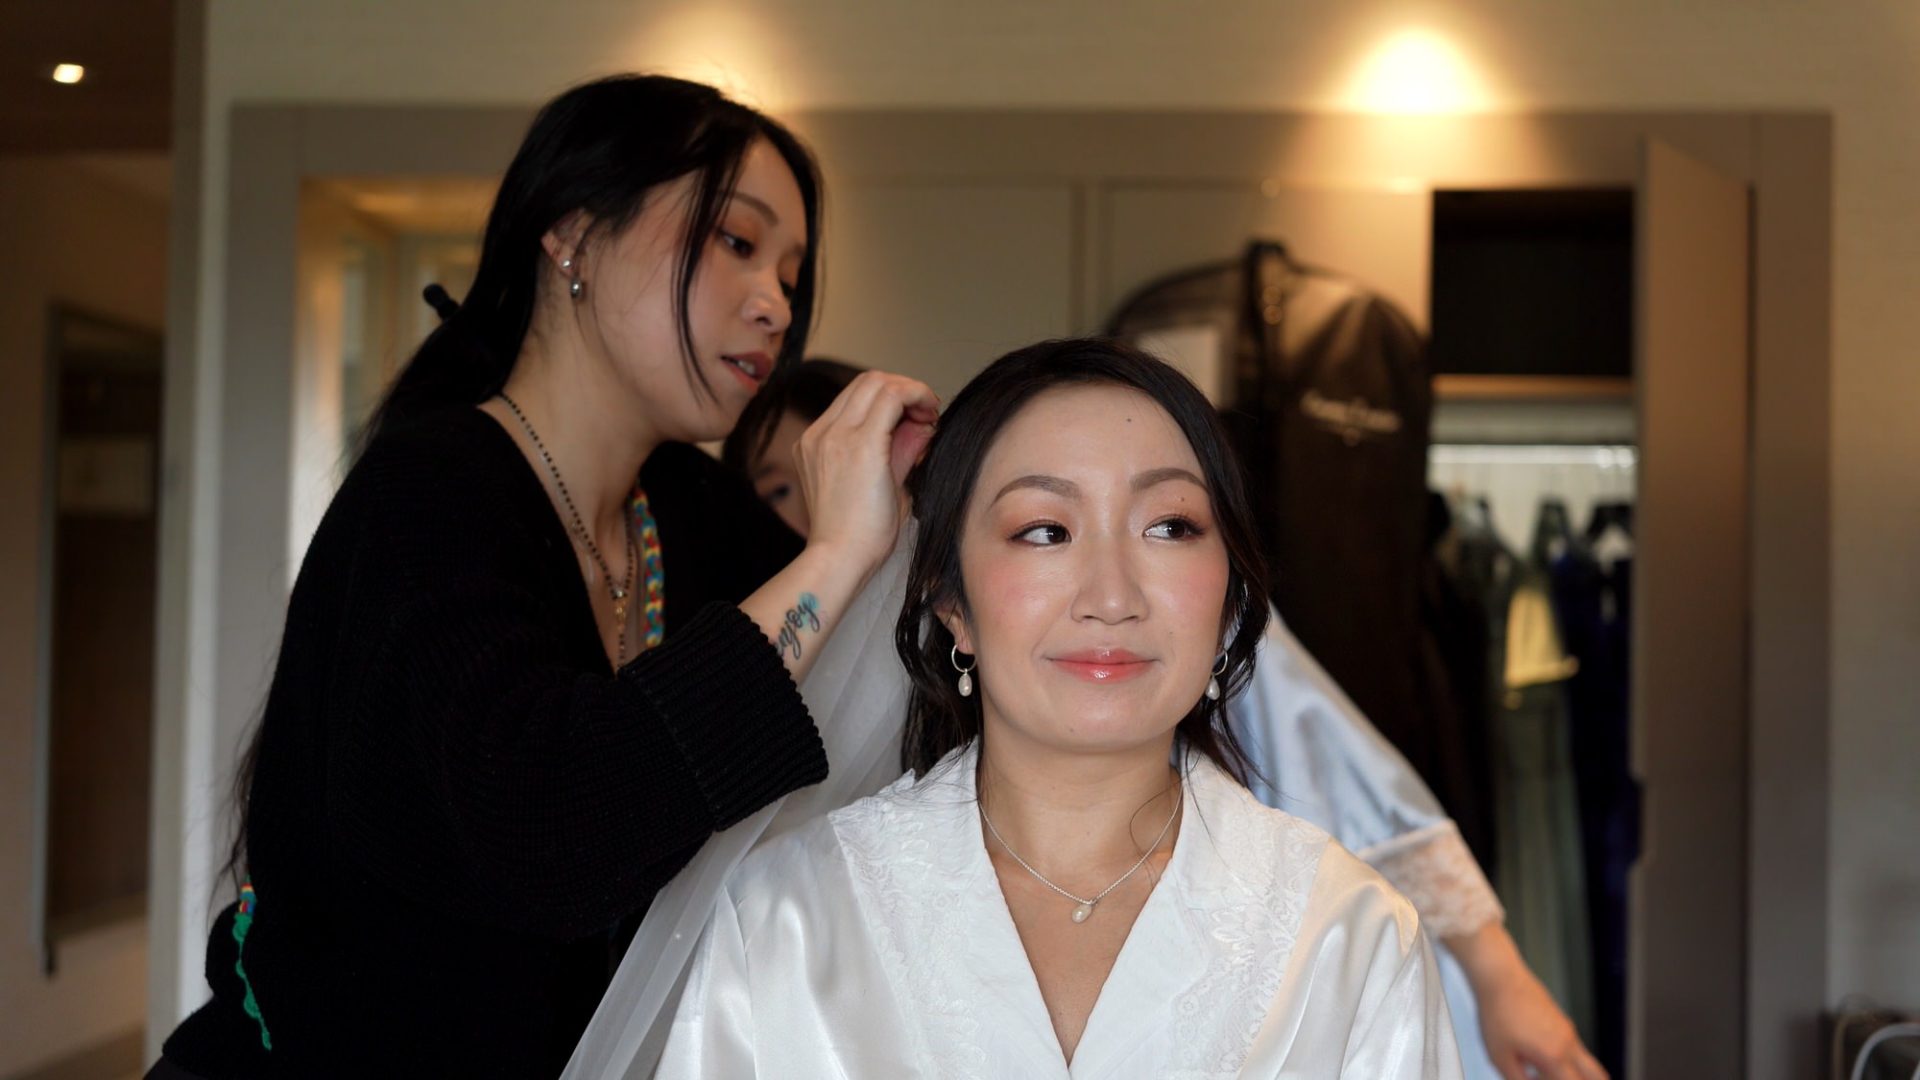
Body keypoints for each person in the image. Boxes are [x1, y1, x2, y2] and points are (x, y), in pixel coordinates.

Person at [149, 74, 936, 1079]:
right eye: (738, 244)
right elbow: (551, 834)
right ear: (572, 234)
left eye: (792, 270)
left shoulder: (686, 509)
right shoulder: (429, 495)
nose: (776, 303)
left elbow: (896, 688)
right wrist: (833, 556)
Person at [724, 354, 1605, 1080]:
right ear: (949, 601)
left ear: (1232, 594)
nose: (1111, 596)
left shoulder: (1347, 934)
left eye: (1171, 527)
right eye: (1043, 530)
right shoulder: (789, 917)